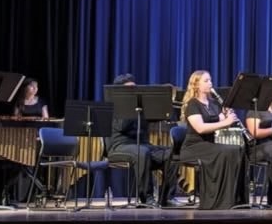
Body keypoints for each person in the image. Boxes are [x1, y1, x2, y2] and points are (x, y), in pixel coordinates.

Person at [179, 70, 249, 210]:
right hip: (193, 147)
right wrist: (225, 122)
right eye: (206, 81)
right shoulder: (192, 104)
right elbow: (200, 128)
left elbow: (219, 119)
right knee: (226, 152)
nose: (210, 83)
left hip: (209, 145)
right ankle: (220, 200)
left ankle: (236, 199)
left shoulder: (213, 103)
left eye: (210, 80)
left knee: (237, 150)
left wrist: (227, 116)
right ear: (196, 85)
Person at [105, 74, 177, 206]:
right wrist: (133, 108)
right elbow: (121, 126)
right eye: (129, 90)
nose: (134, 92)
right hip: (119, 146)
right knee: (142, 153)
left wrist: (164, 104)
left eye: (134, 89)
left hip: (143, 145)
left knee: (172, 154)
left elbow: (160, 117)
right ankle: (146, 198)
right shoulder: (113, 107)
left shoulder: (140, 106)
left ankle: (167, 198)